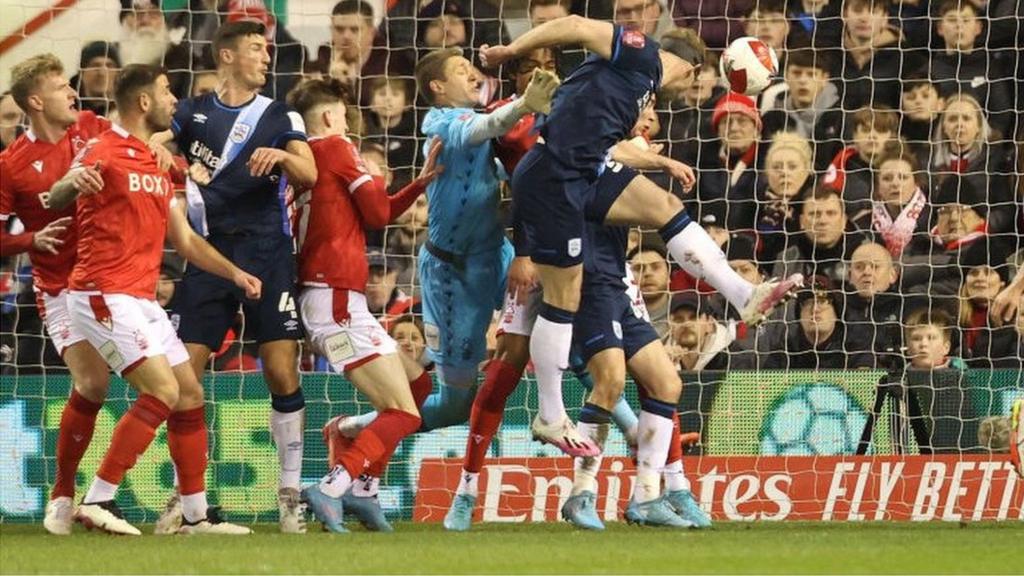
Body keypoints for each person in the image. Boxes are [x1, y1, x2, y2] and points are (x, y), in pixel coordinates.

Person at [480, 16, 802, 455]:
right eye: (692, 82)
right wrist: (507, 52)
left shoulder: (641, 89)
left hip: (585, 171)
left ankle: (742, 294)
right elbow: (575, 24)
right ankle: (551, 415)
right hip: (553, 177)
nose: (686, 93)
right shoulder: (640, 51)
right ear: (690, 69)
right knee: (563, 297)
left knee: (666, 207)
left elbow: (613, 145)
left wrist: (661, 163)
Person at [47, 63, 257, 536]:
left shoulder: (160, 163)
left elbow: (183, 242)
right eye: (166, 92)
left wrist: (235, 272)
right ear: (144, 102)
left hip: (140, 297)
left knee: (188, 394)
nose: (174, 101)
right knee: (161, 390)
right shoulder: (101, 149)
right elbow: (54, 197)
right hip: (102, 291)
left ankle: (194, 516)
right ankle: (97, 498)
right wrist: (71, 184)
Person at [161, 20, 317, 533]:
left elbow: (310, 173)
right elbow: (162, 136)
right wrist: (160, 147)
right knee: (184, 373)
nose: (265, 57)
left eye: (267, 49)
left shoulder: (280, 113)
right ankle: (187, 501)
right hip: (207, 255)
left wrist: (285, 157)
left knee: (280, 369)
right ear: (226, 56)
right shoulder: (193, 111)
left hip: (268, 254)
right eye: (255, 49)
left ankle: (290, 490)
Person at [286, 77, 441, 533]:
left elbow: (380, 213)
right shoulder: (336, 146)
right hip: (334, 297)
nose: (351, 124)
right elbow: (376, 215)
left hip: (329, 295)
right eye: (347, 115)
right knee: (403, 412)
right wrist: (379, 177)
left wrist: (420, 183)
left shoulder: (305, 159)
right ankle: (333, 486)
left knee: (417, 388)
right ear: (332, 117)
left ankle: (360, 477)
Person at [410, 48, 557, 432]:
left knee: (560, 314)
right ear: (437, 87)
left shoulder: (483, 127)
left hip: (498, 254)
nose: (474, 74)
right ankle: (354, 430)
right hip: (452, 276)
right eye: (462, 70)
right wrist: (526, 102)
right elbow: (483, 127)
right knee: (454, 406)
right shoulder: (442, 125)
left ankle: (627, 428)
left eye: (473, 67)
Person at [0, 53, 118, 535]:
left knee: (171, 383)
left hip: (115, 279)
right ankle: (63, 495)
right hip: (61, 288)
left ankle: (187, 504)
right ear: (35, 101)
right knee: (92, 386)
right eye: (59, 87)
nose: (73, 93)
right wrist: (30, 240)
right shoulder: (11, 165)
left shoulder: (92, 127)